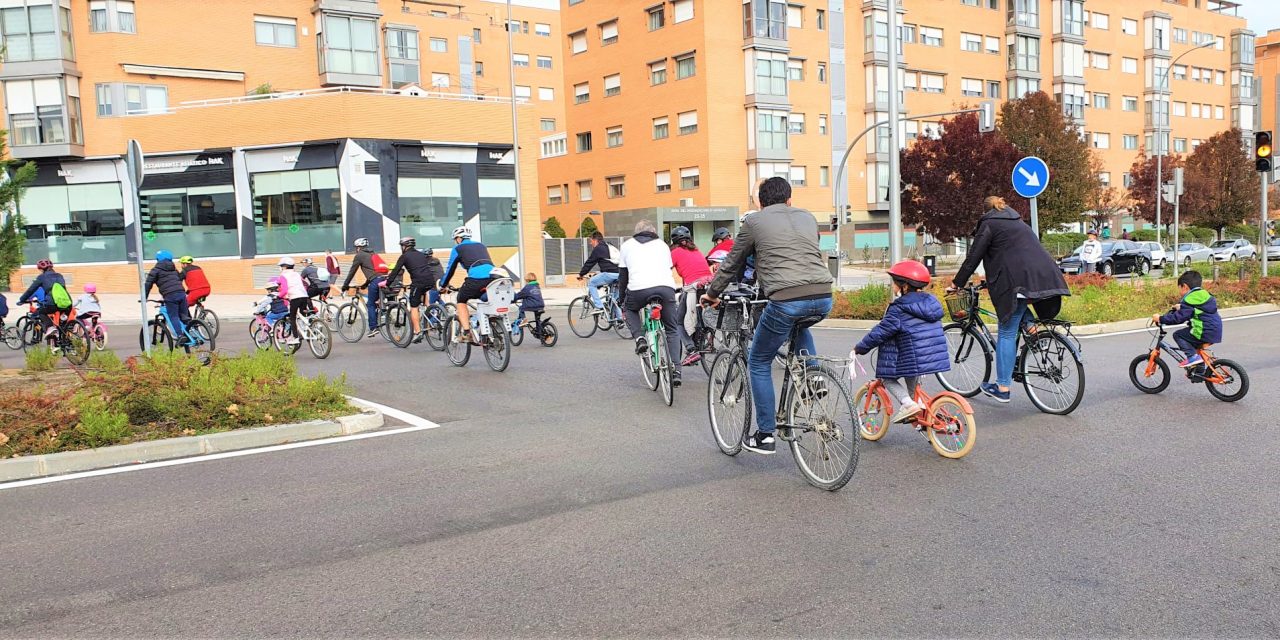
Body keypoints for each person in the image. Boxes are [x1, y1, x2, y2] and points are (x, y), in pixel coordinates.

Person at [701, 177, 834, 454]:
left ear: (760, 203)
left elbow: (731, 264)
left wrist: (712, 294)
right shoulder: (808, 218)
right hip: (823, 296)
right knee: (800, 324)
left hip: (785, 298)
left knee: (759, 361)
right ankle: (813, 378)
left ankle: (765, 435)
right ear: (790, 199)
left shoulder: (753, 222)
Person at [949, 195, 1070, 404]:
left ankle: (1002, 387)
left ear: (986, 211)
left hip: (1017, 281)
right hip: (1043, 276)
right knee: (1019, 306)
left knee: (1006, 331)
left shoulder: (989, 223)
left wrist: (957, 283)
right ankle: (1033, 332)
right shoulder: (1017, 221)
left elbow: (973, 257)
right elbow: (1013, 253)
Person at [854, 261, 950, 424]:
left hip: (912, 356)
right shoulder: (931, 303)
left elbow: (881, 331)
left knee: (887, 378)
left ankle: (908, 405)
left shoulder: (899, 308)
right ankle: (919, 411)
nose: (892, 286)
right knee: (912, 377)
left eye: (894, 283)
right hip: (931, 355)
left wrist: (860, 348)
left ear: (904, 286)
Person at [618, 219, 683, 388]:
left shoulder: (626, 246)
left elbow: (623, 277)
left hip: (638, 290)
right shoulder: (662, 245)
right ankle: (676, 370)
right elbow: (668, 268)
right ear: (653, 231)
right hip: (665, 289)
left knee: (629, 309)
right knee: (672, 329)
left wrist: (621, 299)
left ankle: (640, 338)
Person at [1153, 270, 1222, 369]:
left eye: (1179, 288)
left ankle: (1192, 357)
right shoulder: (1204, 294)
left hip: (1204, 331)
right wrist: (1181, 307)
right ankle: (1199, 371)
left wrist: (1160, 318)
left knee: (1178, 335)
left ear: (1185, 286)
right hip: (1215, 330)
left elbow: (1179, 318)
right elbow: (1198, 309)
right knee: (1193, 344)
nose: (1179, 292)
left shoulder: (1188, 299)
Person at [440, 226, 495, 343]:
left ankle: (466, 333)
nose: (456, 241)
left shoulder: (457, 248)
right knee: (484, 297)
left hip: (476, 279)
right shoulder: (481, 245)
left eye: (456, 239)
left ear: (459, 238)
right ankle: (492, 324)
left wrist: (443, 285)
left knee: (461, 300)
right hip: (493, 277)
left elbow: (450, 269)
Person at [669, 225, 712, 366]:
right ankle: (704, 338)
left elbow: (665, 269)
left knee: (677, 321)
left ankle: (691, 349)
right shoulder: (696, 250)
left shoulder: (675, 252)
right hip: (708, 286)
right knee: (697, 314)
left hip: (693, 287)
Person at [386, 237, 443, 343]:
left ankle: (417, 332)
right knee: (425, 299)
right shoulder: (421, 254)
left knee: (414, 306)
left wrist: (388, 283)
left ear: (404, 246)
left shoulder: (404, 256)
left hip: (418, 282)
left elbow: (395, 271)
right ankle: (432, 314)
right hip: (430, 281)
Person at [340, 237, 382, 338]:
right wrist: (365, 284)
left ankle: (373, 328)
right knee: (376, 301)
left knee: (370, 304)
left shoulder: (359, 256)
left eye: (356, 248)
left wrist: (345, 285)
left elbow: (352, 272)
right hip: (384, 279)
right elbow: (374, 272)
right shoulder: (373, 254)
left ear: (358, 247)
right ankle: (381, 315)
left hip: (375, 281)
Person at [144, 250, 191, 341]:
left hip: (170, 295)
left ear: (158, 259)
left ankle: (180, 336)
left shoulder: (155, 270)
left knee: (173, 316)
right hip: (181, 292)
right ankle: (191, 334)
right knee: (184, 316)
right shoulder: (173, 269)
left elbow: (148, 284)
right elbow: (178, 279)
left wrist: (144, 297)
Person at [17, 259, 68, 338]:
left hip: (52, 303)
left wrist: (22, 299)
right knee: (63, 321)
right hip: (66, 302)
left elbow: (31, 290)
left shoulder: (42, 277)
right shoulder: (59, 275)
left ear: (41, 269)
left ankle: (50, 327)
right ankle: (65, 336)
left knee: (41, 312)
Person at [577, 231, 620, 315]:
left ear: (595, 240)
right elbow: (609, 263)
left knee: (591, 282)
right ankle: (618, 319)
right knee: (614, 300)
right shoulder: (609, 246)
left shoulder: (598, 248)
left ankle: (599, 306)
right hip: (621, 274)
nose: (590, 243)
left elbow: (589, 263)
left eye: (591, 241)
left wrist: (581, 274)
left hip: (610, 274)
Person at [277, 257, 309, 345]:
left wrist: (279, 296)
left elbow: (284, 290)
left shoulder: (283, 276)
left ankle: (296, 337)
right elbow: (305, 284)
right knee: (303, 314)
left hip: (295, 297)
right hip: (304, 296)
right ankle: (306, 329)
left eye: (281, 266)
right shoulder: (297, 274)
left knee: (292, 318)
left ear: (284, 266)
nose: (281, 268)